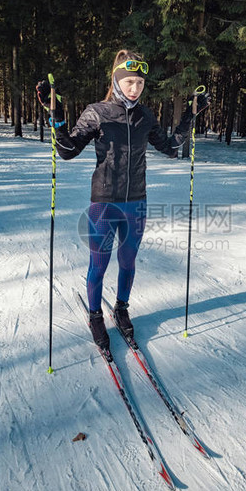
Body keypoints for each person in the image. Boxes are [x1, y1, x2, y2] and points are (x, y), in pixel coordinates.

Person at [36, 49, 210, 360]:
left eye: (140, 83)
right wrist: (58, 118)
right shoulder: (97, 112)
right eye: (129, 82)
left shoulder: (145, 117)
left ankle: (121, 308)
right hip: (104, 203)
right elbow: (67, 151)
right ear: (117, 81)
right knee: (98, 266)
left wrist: (190, 117)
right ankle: (94, 316)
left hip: (136, 204)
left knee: (128, 262)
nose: (135, 88)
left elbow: (170, 148)